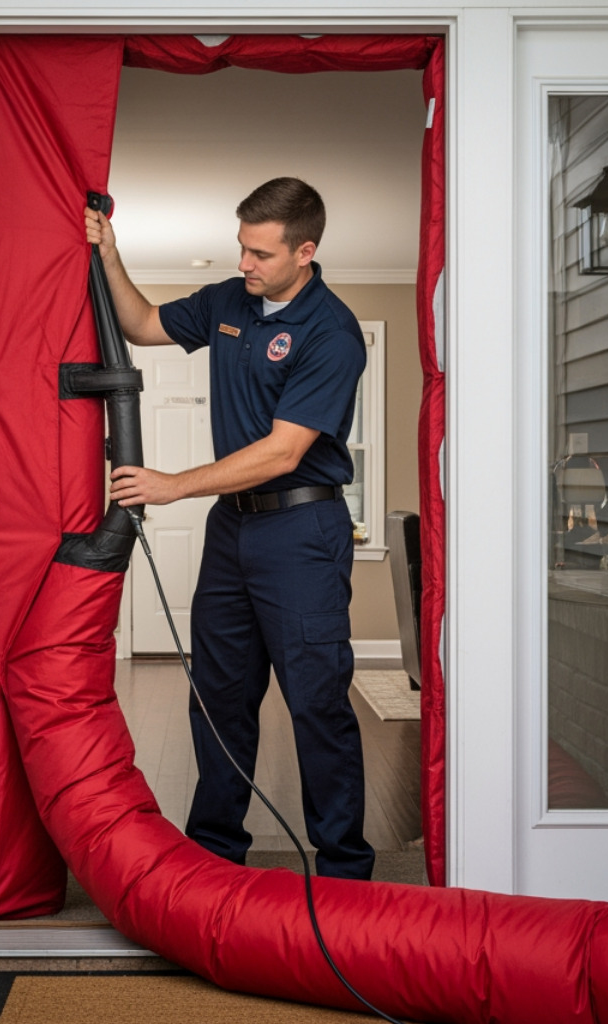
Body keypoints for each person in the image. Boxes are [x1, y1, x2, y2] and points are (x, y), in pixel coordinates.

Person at [85, 177, 375, 880]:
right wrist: (112, 256)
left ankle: (342, 870)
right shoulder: (228, 301)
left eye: (261, 254)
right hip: (233, 534)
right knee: (218, 694)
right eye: (241, 248)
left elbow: (283, 451)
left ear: (305, 252)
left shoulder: (331, 332)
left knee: (314, 701)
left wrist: (172, 484)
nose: (246, 264)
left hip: (302, 532)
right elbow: (143, 324)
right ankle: (214, 856)